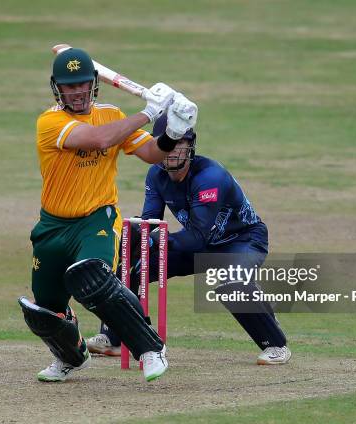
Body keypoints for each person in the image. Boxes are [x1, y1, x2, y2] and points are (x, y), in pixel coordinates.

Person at [17, 47, 198, 382]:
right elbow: (99, 140)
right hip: (52, 225)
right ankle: (72, 357)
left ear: (94, 84)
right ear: (57, 88)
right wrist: (148, 113)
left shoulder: (113, 115)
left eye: (83, 84)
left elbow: (150, 153)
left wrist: (173, 131)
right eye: (69, 86)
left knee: (93, 278)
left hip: (96, 220)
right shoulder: (50, 122)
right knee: (46, 309)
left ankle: (149, 348)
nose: (77, 92)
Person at [87, 113, 291, 365]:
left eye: (178, 146)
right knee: (132, 263)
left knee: (230, 283)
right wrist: (135, 237)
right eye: (166, 144)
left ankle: (276, 345)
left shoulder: (209, 177)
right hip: (197, 244)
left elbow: (196, 236)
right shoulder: (156, 175)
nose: (171, 152)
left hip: (242, 241)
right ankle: (116, 338)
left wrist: (156, 241)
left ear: (190, 147)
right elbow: (151, 221)